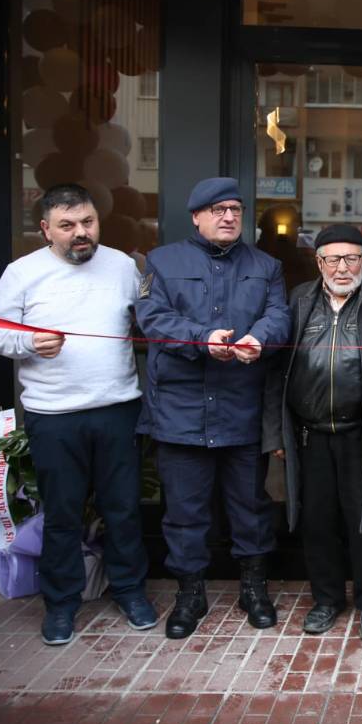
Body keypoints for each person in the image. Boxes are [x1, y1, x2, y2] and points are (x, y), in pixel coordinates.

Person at [0, 184, 154, 645]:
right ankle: (61, 604)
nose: (81, 232)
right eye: (68, 225)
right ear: (45, 229)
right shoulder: (22, 272)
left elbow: (147, 321)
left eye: (88, 222)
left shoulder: (123, 266)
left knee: (123, 509)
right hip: (53, 414)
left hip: (117, 408)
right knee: (61, 514)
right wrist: (27, 342)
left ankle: (130, 591)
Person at [136, 177, 290, 639]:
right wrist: (202, 339)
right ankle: (190, 594)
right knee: (184, 512)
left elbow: (279, 315)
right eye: (218, 210)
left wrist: (259, 338)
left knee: (251, 507)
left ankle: (254, 589)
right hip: (180, 411)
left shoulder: (266, 266)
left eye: (235, 210)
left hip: (242, 408)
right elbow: (152, 318)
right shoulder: (161, 262)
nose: (228, 217)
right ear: (196, 217)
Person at [263, 224, 362, 641]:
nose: (343, 267)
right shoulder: (299, 300)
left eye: (352, 258)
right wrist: (276, 433)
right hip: (309, 435)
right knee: (318, 522)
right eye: (333, 259)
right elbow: (276, 373)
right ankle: (327, 600)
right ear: (319, 263)